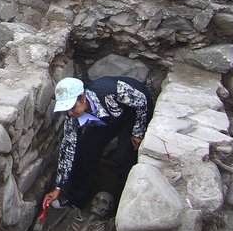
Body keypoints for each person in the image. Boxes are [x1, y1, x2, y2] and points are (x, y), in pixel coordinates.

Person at [43, 76, 153, 210]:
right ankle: (76, 199)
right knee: (85, 152)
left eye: (72, 107)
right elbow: (68, 151)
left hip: (131, 113)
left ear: (83, 97)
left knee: (125, 157)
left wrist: (138, 131)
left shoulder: (110, 91)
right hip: (103, 119)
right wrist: (59, 186)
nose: (70, 113)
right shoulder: (72, 117)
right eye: (66, 109)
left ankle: (125, 205)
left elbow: (141, 101)